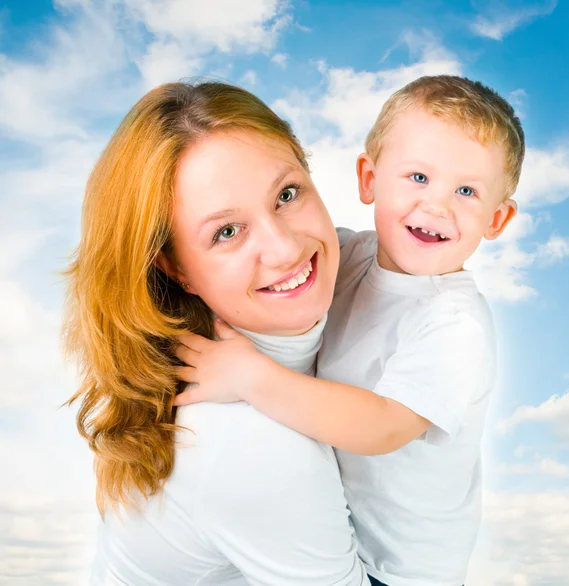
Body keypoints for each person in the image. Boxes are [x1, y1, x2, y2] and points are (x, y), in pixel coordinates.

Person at [173, 75, 526, 586]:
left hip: (403, 572)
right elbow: (263, 279)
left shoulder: (455, 325)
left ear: (496, 219)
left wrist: (250, 378)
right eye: (418, 178)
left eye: (467, 191)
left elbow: (381, 427)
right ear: (369, 179)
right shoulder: (348, 254)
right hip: (333, 530)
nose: (437, 206)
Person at [62, 81, 369, 585]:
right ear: (174, 267)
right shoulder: (249, 446)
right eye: (226, 232)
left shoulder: (358, 282)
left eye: (286, 195)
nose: (284, 249)